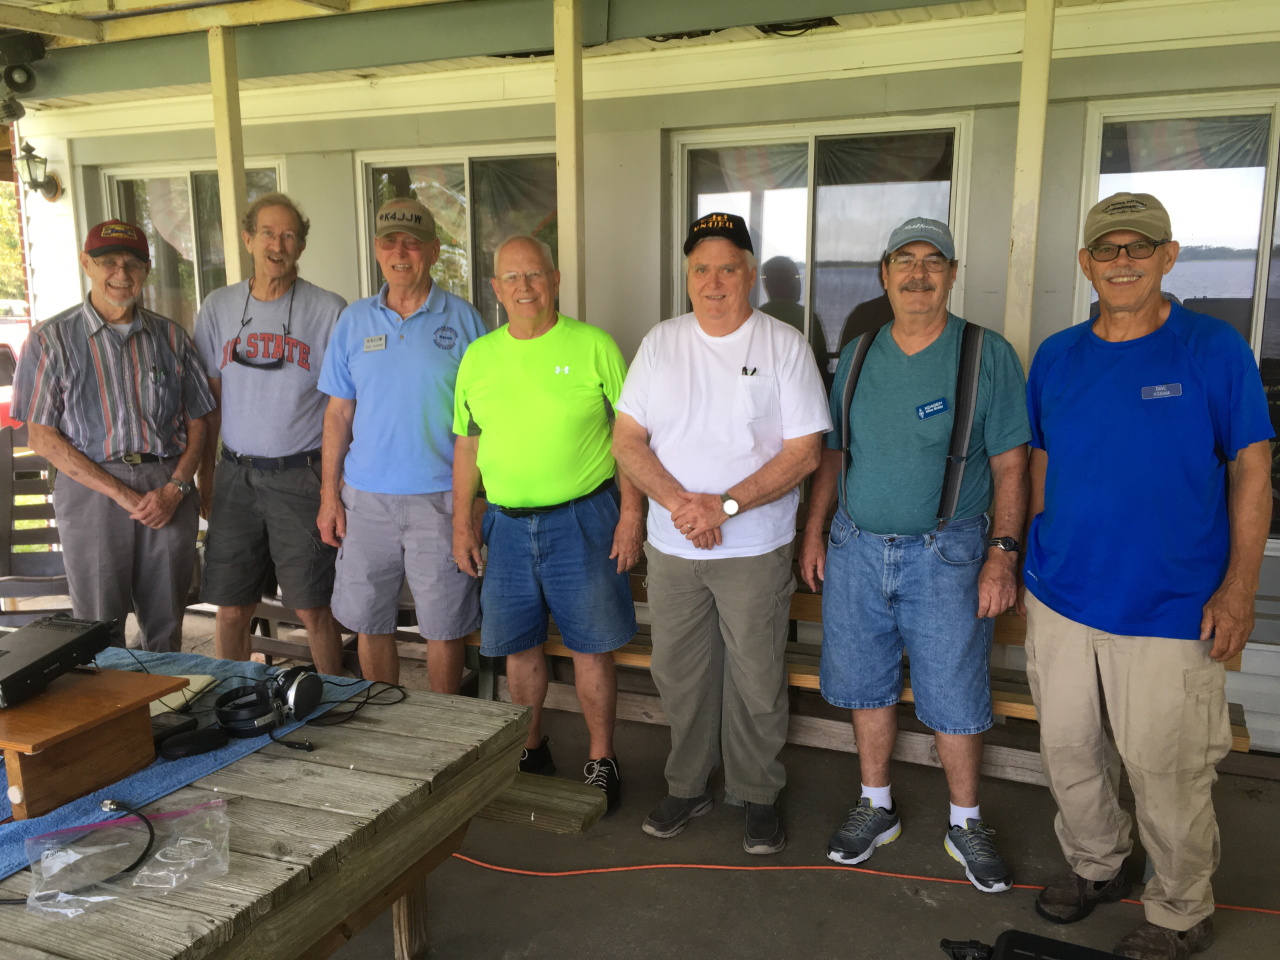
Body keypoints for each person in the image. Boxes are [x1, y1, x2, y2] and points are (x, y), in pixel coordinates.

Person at [1021, 193, 1273, 959]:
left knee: (1167, 769)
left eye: (1139, 247)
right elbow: (1042, 460)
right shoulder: (1058, 355)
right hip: (1063, 597)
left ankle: (1180, 908)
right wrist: (1031, 555)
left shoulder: (1212, 349)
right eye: (1107, 248)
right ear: (1085, 263)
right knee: (1070, 752)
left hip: (1171, 607)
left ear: (1168, 256)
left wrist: (1239, 589)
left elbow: (1252, 470)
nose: (1122, 261)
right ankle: (1099, 862)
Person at [798, 217, 1030, 893]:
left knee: (955, 692)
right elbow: (834, 454)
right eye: (905, 259)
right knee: (864, 683)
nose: (919, 273)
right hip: (855, 548)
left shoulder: (986, 354)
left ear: (952, 274)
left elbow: (1011, 466)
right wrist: (813, 531)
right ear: (884, 272)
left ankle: (965, 822)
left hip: (948, 552)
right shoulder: (859, 353)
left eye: (934, 261)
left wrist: (1002, 555)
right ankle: (876, 805)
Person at [613, 212, 831, 854]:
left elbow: (805, 453)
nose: (713, 282)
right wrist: (684, 506)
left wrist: (725, 507)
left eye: (727, 268)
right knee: (680, 675)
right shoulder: (661, 343)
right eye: (701, 269)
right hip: (673, 548)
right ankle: (687, 785)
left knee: (757, 677)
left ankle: (756, 792)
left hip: (754, 550)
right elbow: (627, 439)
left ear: (750, 274)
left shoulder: (783, 345)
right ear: (688, 276)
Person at [452, 236, 641, 811]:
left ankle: (602, 759)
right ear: (495, 288)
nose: (524, 287)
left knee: (591, 648)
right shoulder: (478, 357)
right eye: (512, 278)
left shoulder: (594, 346)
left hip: (583, 519)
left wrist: (632, 514)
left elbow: (632, 437)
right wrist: (461, 522)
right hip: (505, 527)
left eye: (534, 275)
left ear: (555, 280)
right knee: (519, 649)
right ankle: (530, 748)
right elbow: (467, 444)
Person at [11, 220, 215, 651]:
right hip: (91, 494)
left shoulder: (171, 337)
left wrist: (177, 488)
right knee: (99, 627)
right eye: (108, 262)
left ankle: (162, 695)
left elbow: (199, 420)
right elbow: (42, 437)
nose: (121, 273)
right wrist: (121, 494)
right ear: (86, 264)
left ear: (146, 270)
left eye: (132, 263)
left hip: (166, 486)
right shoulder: (51, 340)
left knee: (165, 625)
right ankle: (111, 696)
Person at [317, 197, 486, 687]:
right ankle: (384, 715)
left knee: (444, 626)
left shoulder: (465, 320)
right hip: (365, 500)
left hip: (442, 498)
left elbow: (484, 422)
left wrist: (477, 500)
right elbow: (338, 413)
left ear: (434, 251)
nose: (400, 252)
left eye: (413, 243)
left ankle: (439, 723)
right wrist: (329, 496)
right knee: (370, 622)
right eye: (390, 242)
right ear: (377, 249)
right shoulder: (353, 321)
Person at [194, 193, 347, 675]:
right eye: (267, 233)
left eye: (288, 236)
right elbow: (209, 403)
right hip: (235, 475)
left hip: (301, 475)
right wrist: (206, 475)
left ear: (300, 246)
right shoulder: (218, 307)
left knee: (314, 607)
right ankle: (234, 695)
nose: (276, 245)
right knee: (231, 606)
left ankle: (333, 699)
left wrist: (333, 487)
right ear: (247, 239)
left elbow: (344, 408)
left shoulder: (328, 310)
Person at [759, 255, 829, 377]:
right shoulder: (807, 318)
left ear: (766, 284)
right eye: (796, 278)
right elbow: (821, 367)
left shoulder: (755, 319)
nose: (799, 283)